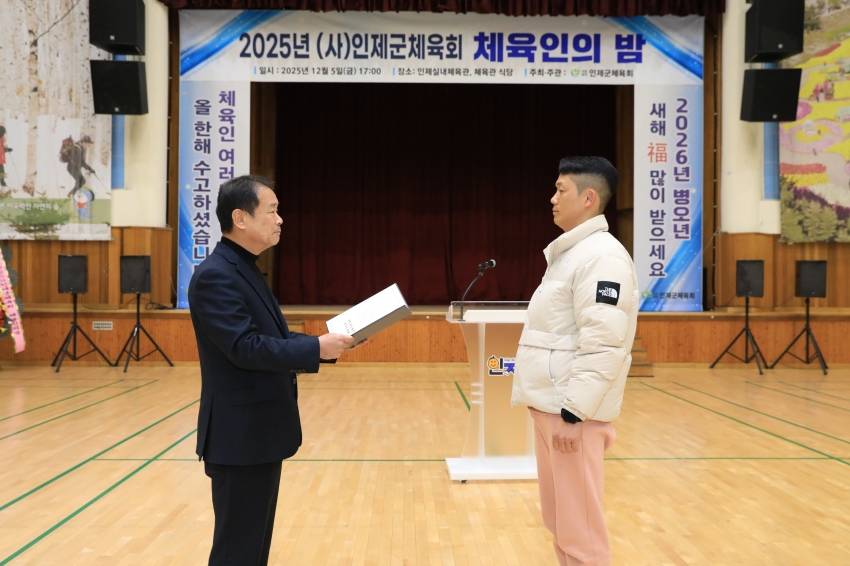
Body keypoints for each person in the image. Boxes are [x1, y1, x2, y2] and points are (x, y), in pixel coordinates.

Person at [188, 174, 356, 566]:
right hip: (239, 437)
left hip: (257, 434)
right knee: (237, 551)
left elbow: (270, 337)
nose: (280, 220)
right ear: (240, 218)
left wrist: (324, 345)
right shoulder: (216, 275)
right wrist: (315, 348)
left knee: (252, 548)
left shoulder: (244, 268)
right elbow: (244, 347)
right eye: (272, 211)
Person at [512, 156, 638, 566]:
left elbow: (604, 343)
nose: (552, 199)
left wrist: (574, 413)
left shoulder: (602, 258)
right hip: (553, 409)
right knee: (561, 523)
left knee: (581, 531)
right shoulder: (572, 254)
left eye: (560, 190)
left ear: (588, 198)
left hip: (572, 415)